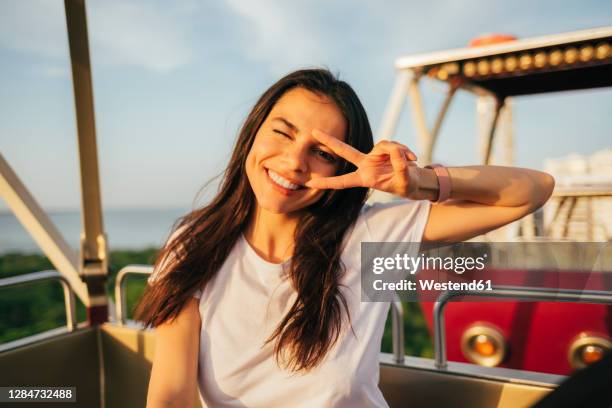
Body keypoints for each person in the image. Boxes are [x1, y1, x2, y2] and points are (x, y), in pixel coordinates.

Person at [134, 68, 555, 408]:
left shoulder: (370, 236)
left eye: (323, 153)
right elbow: (171, 395)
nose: (295, 162)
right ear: (253, 133)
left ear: (341, 169)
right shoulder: (193, 243)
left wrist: (419, 183)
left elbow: (532, 190)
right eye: (283, 132)